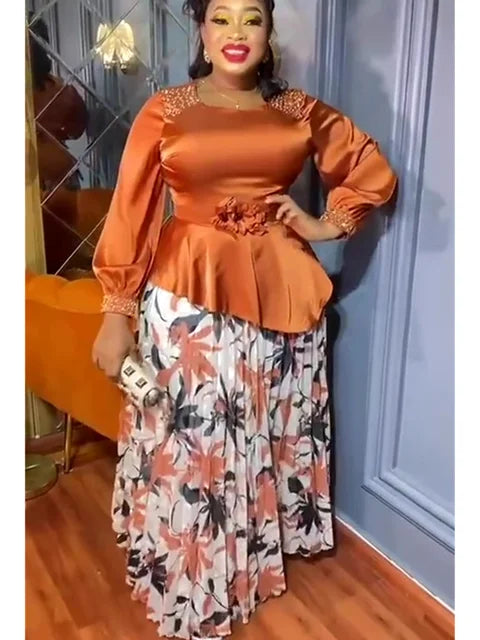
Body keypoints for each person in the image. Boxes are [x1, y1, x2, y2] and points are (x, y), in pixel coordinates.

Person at [92, 1, 397, 638]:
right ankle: (195, 572)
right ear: (201, 29)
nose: (236, 33)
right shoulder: (166, 110)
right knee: (192, 439)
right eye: (222, 17)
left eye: (251, 18)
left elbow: (370, 169)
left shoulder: (296, 109)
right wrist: (116, 311)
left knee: (267, 426)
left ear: (268, 30)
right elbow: (131, 213)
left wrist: (326, 224)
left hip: (280, 292)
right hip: (189, 297)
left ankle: (255, 554)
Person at [29, 13, 88, 190]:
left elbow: (77, 128)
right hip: (59, 179)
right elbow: (76, 130)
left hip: (51, 181)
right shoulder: (59, 88)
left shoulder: (59, 89)